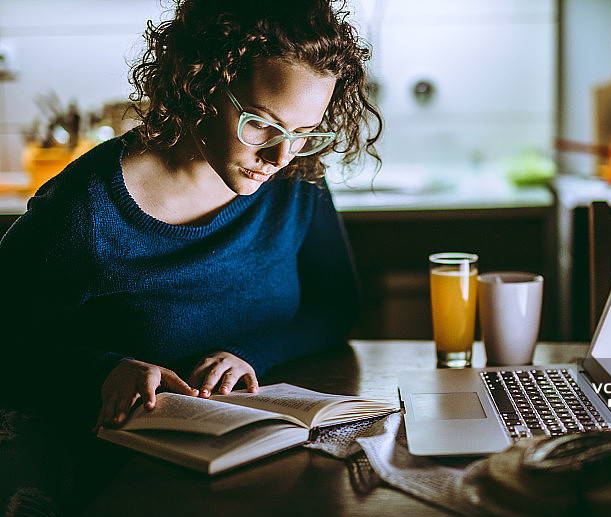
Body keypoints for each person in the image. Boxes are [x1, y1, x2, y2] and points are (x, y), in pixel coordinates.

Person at [0, 0, 380, 439]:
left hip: (255, 445)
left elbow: (335, 305)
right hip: (117, 471)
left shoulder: (297, 177)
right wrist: (105, 370)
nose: (280, 156)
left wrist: (248, 353)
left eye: (304, 133)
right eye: (261, 124)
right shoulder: (88, 206)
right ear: (199, 85)